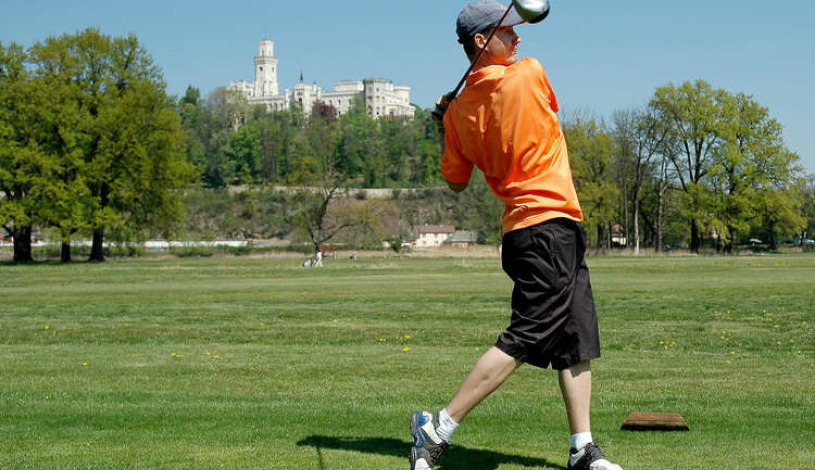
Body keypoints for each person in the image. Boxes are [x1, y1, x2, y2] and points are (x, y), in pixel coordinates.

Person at [409, 2, 624, 470]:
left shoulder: (457, 113)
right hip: (544, 227)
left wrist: (449, 121)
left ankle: (582, 449)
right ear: (482, 41)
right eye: (507, 31)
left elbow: (456, 180)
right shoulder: (530, 73)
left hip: (545, 228)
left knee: (575, 339)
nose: (518, 38)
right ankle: (438, 427)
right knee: (525, 337)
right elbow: (544, 108)